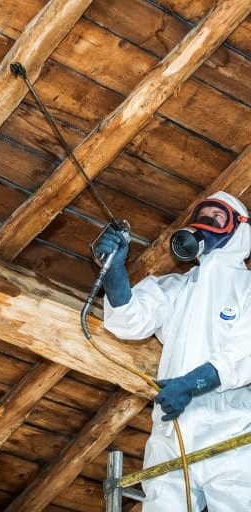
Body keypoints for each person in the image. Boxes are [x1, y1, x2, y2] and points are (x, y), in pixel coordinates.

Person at [95, 191, 251, 511]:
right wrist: (113, 267)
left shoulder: (246, 288)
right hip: (171, 433)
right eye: (200, 216)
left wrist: (190, 384)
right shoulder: (177, 287)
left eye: (216, 216)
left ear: (239, 229)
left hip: (232, 434)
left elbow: (244, 353)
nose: (204, 223)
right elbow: (129, 320)